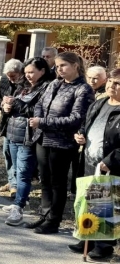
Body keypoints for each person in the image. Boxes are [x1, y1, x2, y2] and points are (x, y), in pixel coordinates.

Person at [27, 51, 94, 234]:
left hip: (62, 143)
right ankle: (45, 214)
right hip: (43, 138)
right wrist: (39, 119)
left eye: (63, 65)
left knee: (58, 182)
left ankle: (54, 220)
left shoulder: (83, 89)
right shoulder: (55, 83)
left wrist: (43, 122)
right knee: (45, 180)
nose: (59, 69)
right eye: (56, 66)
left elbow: (76, 119)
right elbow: (40, 104)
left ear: (75, 66)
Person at [70, 68, 120, 259]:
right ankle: (86, 239)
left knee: (105, 205)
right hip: (89, 161)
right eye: (110, 81)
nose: (111, 86)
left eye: (117, 83)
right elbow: (86, 123)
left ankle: (103, 246)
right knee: (87, 203)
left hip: (109, 165)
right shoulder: (99, 103)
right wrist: (80, 134)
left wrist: (111, 161)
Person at [1, 57, 53, 226]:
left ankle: (19, 206)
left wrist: (14, 104)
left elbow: (35, 110)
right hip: (13, 133)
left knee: (24, 173)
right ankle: (19, 200)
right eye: (26, 72)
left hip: (28, 136)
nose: (28, 75)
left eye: (32, 72)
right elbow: (13, 104)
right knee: (16, 170)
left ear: (42, 71)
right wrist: (6, 106)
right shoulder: (22, 87)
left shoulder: (47, 88)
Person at [0, 59, 27, 198]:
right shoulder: (4, 81)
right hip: (7, 122)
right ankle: (11, 181)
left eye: (13, 76)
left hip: (20, 125)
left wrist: (13, 105)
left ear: (21, 73)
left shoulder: (26, 84)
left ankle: (15, 185)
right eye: (8, 76)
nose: (10, 79)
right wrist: (3, 105)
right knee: (7, 153)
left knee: (17, 157)